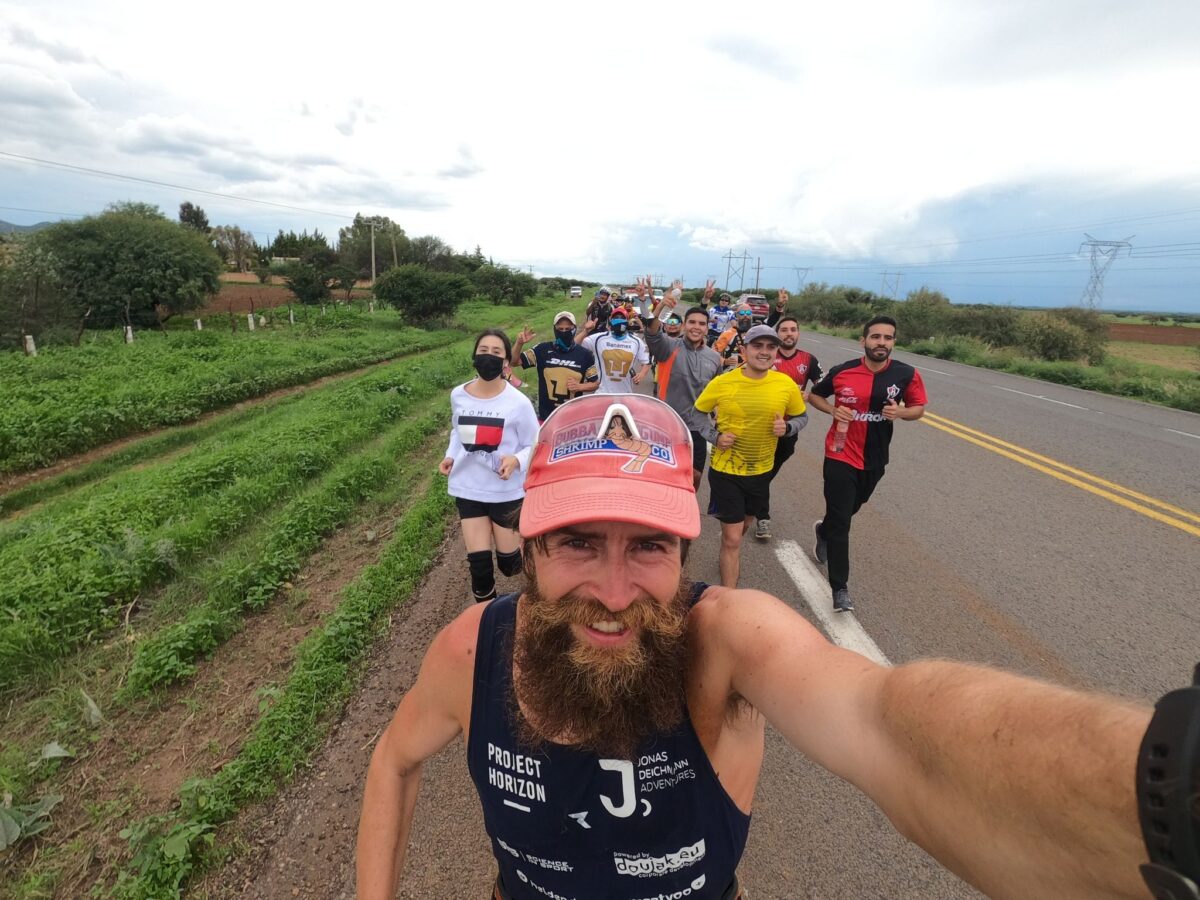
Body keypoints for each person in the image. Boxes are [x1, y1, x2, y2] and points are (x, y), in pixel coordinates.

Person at [357, 392, 1153, 900]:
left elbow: (892, 728)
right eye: (575, 542)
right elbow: (393, 761)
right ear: (526, 549)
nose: (612, 588)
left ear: (685, 553)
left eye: (648, 548)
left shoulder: (727, 641)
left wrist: (1158, 790)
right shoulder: (474, 649)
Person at [807, 315, 927, 613]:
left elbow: (918, 409)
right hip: (840, 453)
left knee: (849, 510)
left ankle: (824, 530)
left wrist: (901, 414)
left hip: (875, 458)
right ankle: (839, 588)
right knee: (843, 523)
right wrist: (834, 410)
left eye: (887, 338)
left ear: (894, 342)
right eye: (875, 337)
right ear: (864, 341)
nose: (881, 343)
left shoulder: (906, 374)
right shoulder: (843, 371)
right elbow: (815, 396)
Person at [693, 325, 807, 588]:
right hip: (726, 471)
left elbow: (802, 416)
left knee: (742, 529)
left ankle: (727, 554)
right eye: (758, 346)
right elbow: (698, 413)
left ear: (777, 351)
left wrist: (788, 428)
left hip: (761, 472)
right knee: (732, 539)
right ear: (744, 350)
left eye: (770, 347)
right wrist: (715, 436)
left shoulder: (785, 385)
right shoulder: (723, 382)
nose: (764, 352)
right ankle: (728, 599)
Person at [440, 330, 540, 603]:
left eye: (496, 352)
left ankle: (526, 551)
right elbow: (456, 431)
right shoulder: (458, 395)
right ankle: (484, 622)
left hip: (505, 493)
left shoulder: (518, 403)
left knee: (511, 566)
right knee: (480, 569)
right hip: (468, 488)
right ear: (474, 356)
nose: (488, 357)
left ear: (506, 361)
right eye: (483, 350)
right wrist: (450, 455)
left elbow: (537, 443)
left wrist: (516, 460)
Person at [754, 288, 825, 540]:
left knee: (767, 472)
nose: (788, 333)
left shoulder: (809, 359)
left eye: (793, 330)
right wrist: (779, 310)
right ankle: (762, 517)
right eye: (784, 330)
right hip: (762, 425)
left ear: (798, 334)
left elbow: (823, 388)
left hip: (790, 427)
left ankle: (753, 498)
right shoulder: (766, 356)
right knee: (761, 472)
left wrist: (809, 396)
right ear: (777, 333)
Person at [642, 289, 723, 490]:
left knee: (694, 477)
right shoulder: (669, 346)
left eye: (702, 324)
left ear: (707, 328)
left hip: (698, 428)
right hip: (667, 425)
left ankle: (685, 514)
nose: (696, 327)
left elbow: (718, 394)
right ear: (685, 325)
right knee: (663, 475)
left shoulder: (714, 358)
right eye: (692, 322)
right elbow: (652, 332)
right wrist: (660, 307)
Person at [511, 311, 600, 421]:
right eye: (560, 329)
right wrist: (519, 343)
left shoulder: (585, 354)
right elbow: (514, 362)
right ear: (554, 329)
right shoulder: (541, 350)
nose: (564, 332)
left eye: (568, 329)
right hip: (546, 417)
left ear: (574, 329)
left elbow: (595, 383)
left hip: (573, 417)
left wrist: (580, 387)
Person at [578, 305, 650, 394]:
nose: (619, 319)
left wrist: (641, 374)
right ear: (611, 321)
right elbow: (574, 345)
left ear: (627, 321)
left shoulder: (636, 342)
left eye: (622, 317)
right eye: (615, 317)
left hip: (626, 394)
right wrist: (585, 331)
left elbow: (646, 362)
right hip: (602, 393)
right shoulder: (598, 339)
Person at [712, 302, 755, 367]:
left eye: (748, 313)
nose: (745, 315)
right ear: (736, 316)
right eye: (742, 313)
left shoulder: (756, 334)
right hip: (731, 373)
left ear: (751, 316)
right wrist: (724, 361)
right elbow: (713, 353)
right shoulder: (728, 334)